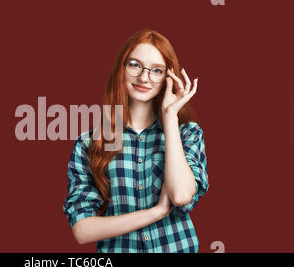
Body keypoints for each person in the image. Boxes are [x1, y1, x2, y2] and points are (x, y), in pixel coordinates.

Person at [62, 28, 209, 253]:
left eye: (156, 70)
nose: (143, 78)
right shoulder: (90, 143)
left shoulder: (187, 133)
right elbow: (82, 230)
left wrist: (170, 118)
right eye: (134, 65)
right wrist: (155, 212)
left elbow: (180, 195)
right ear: (121, 69)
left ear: (169, 78)